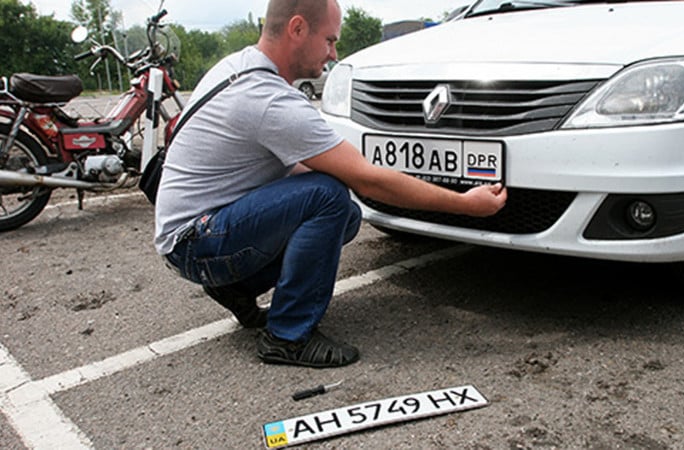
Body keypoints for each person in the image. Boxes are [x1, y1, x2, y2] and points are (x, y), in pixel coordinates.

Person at [154, 0, 507, 369]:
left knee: (345, 214)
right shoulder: (270, 99)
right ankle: (288, 337)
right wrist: (467, 204)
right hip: (196, 242)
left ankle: (235, 287)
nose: (333, 53)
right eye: (330, 40)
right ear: (297, 29)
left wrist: (352, 171)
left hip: (191, 235)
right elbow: (368, 181)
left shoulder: (239, 67)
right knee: (329, 199)